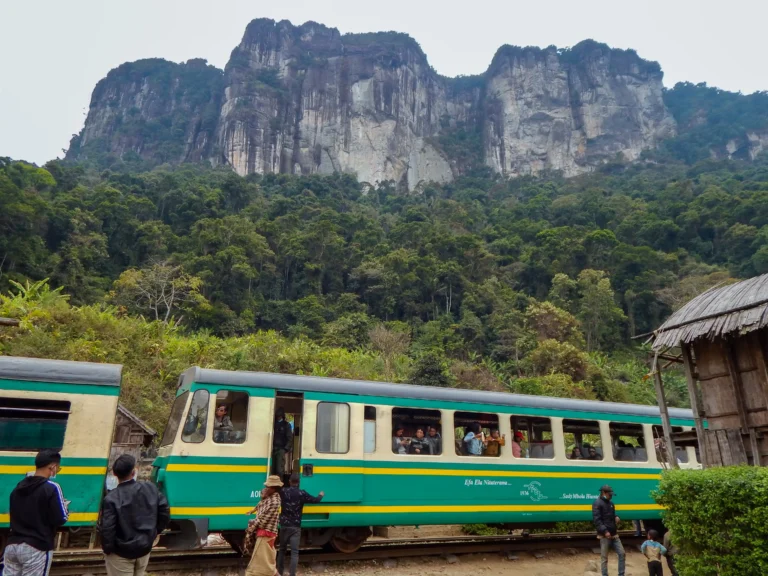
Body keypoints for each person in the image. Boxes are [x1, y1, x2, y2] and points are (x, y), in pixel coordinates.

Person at [100, 454, 170, 576]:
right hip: (144, 548)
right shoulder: (150, 488)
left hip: (120, 553)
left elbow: (107, 528)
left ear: (115, 474)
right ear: (134, 472)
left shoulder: (111, 498)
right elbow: (164, 511)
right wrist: (154, 533)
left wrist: (108, 549)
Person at [4, 449, 68, 576]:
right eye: (58, 469)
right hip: (37, 546)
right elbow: (61, 518)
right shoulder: (52, 487)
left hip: (12, 545)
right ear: (53, 467)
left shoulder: (19, 487)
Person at [277, 474, 324, 576]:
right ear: (298, 482)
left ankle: (279, 573)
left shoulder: (283, 491)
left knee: (281, 550)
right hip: (295, 527)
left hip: (284, 525)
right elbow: (315, 500)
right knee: (294, 553)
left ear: (289, 481)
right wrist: (321, 495)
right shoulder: (301, 493)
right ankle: (292, 574)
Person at [245, 475, 283, 576]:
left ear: (274, 488)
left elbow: (263, 521)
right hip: (266, 535)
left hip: (266, 535)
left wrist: (253, 524)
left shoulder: (274, 502)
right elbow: (260, 511)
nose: (266, 488)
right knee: (268, 565)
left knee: (258, 568)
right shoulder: (269, 498)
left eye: (268, 487)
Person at [592, 485, 625, 576]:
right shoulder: (597, 503)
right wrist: (605, 531)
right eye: (609, 494)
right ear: (604, 493)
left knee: (622, 553)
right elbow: (597, 520)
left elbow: (611, 515)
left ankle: (621, 574)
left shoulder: (611, 504)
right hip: (604, 535)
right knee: (604, 558)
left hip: (614, 534)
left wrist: (616, 517)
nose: (611, 496)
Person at [272, 408, 293, 475]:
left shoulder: (286, 425)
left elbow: (290, 438)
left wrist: (286, 449)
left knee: (279, 470)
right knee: (272, 469)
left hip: (281, 449)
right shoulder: (273, 424)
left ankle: (280, 483)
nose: (278, 417)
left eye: (279, 415)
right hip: (273, 448)